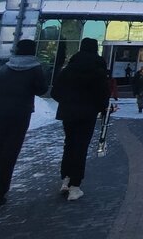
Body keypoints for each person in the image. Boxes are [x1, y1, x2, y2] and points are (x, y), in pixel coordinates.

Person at [0, 39, 47, 209]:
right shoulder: (35, 68)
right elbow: (41, 89)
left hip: (0, 113)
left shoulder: (5, 67)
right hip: (20, 113)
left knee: (1, 151)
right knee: (9, 154)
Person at [50, 38, 110, 201]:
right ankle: (75, 186)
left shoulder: (69, 68)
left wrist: (68, 102)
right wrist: (100, 108)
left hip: (68, 113)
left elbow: (55, 92)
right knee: (81, 147)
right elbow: (104, 93)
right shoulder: (98, 68)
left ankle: (66, 179)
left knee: (69, 144)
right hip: (87, 114)